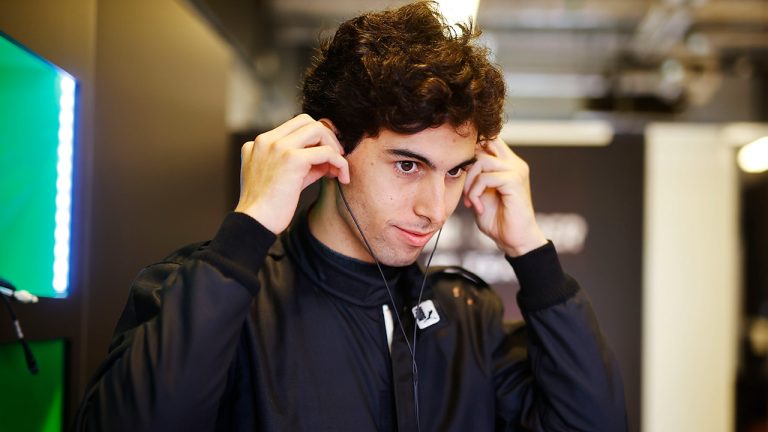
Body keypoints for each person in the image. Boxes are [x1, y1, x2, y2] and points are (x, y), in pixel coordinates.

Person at [74, 2, 626, 431]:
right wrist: (248, 228)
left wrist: (532, 253)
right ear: (331, 147)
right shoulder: (213, 297)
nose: (435, 209)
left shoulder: (465, 317)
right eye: (408, 165)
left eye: (455, 171)